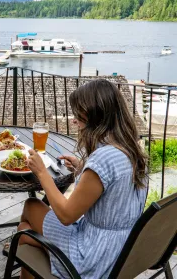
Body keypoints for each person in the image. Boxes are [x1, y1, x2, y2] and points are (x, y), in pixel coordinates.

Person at [20, 79, 148, 278]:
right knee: (26, 233)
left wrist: (42, 173)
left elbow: (66, 216)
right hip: (122, 250)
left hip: (93, 256)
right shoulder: (131, 149)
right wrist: (83, 169)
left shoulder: (103, 159)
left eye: (78, 113)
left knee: (29, 209)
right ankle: (29, 244)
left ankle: (30, 247)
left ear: (93, 115)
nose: (74, 120)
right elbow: (115, 189)